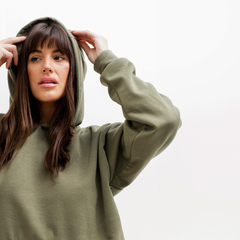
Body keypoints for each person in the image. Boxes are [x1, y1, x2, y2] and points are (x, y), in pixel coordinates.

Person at [0, 17, 181, 240]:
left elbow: (163, 119)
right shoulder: (3, 136)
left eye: (58, 57)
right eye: (35, 58)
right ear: (20, 70)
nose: (47, 66)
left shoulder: (100, 147)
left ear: (73, 70)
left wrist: (107, 62)